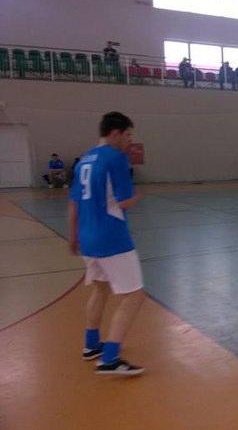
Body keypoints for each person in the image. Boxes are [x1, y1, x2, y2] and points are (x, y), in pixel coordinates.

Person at [68, 111, 145, 376]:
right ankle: (110, 358)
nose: (129, 141)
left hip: (88, 238)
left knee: (100, 289)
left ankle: (91, 345)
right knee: (134, 296)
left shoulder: (84, 160)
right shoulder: (115, 158)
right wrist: (137, 197)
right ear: (115, 133)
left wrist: (73, 236)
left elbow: (74, 203)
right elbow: (124, 201)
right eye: (127, 135)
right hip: (111, 238)